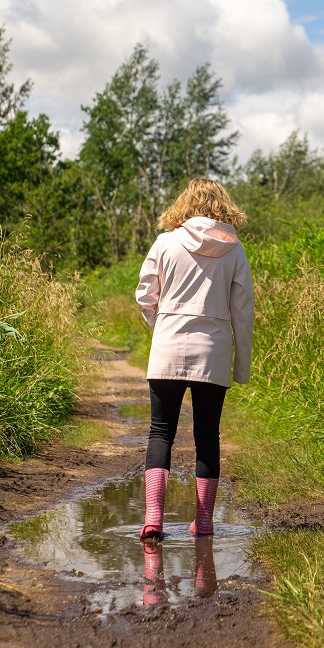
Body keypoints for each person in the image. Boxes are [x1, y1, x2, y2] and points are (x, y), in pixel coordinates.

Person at [135, 178, 254, 541]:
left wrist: (164, 324)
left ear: (184, 205)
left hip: (168, 346)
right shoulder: (235, 250)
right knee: (207, 436)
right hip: (213, 350)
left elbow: (144, 295)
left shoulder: (166, 242)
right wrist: (241, 366)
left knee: (160, 432)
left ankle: (153, 518)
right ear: (223, 207)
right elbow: (243, 311)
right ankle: (203, 522)